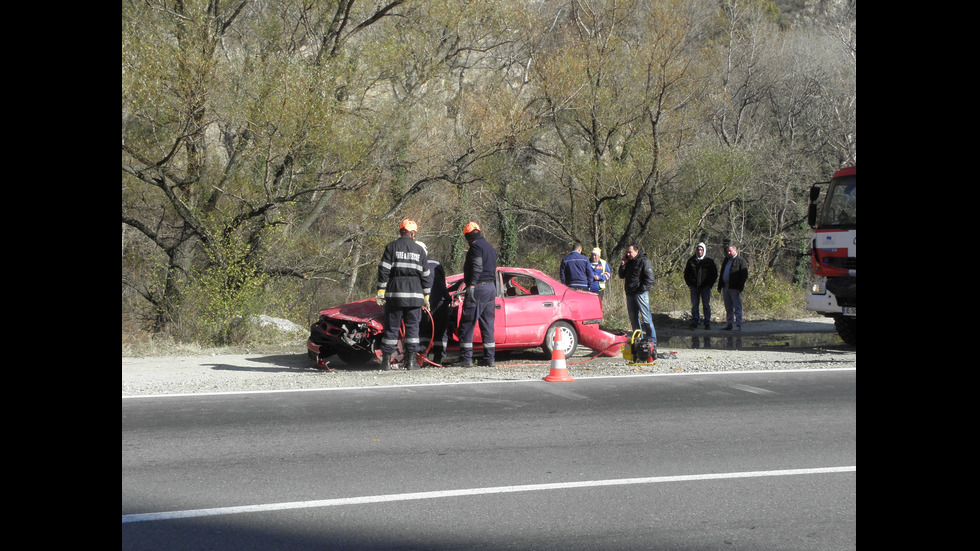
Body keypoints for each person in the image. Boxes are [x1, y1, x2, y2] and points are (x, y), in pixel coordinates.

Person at [376, 219, 432, 370]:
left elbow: (383, 270)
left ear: (401, 231)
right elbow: (426, 276)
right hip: (415, 295)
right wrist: (426, 297)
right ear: (412, 233)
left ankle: (386, 362)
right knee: (413, 328)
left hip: (395, 294)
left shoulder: (391, 247)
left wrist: (381, 291)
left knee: (391, 328)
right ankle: (411, 362)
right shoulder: (420, 250)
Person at [457, 221, 498, 368]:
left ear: (467, 237)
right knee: (487, 324)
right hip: (490, 288)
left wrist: (472, 285)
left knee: (467, 323)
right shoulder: (490, 248)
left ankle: (466, 358)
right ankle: (489, 358)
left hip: (479, 287)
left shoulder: (475, 247)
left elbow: (477, 265)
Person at [416, 241, 451, 366]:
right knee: (441, 331)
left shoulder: (417, 264)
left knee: (425, 331)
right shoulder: (436, 263)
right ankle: (438, 358)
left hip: (427, 301)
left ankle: (422, 357)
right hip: (442, 300)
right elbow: (442, 281)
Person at [617, 243, 656, 345]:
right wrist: (623, 264)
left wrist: (641, 290)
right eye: (627, 252)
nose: (628, 254)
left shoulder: (644, 261)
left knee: (646, 318)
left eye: (630, 252)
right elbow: (621, 275)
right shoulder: (628, 262)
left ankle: (652, 342)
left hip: (640, 294)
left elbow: (650, 279)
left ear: (636, 251)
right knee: (633, 319)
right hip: (630, 294)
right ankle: (638, 341)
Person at [683, 242, 718, 330]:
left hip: (705, 287)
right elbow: (686, 273)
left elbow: (715, 274)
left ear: (704, 250)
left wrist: (710, 285)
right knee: (695, 305)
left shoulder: (709, 261)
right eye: (698, 249)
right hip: (694, 287)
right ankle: (695, 321)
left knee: (706, 305)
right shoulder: (691, 260)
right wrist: (689, 284)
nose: (700, 251)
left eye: (701, 250)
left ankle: (707, 322)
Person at [717, 243, 748, 331]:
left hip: (735, 288)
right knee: (728, 307)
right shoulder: (726, 260)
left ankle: (739, 325)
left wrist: (739, 288)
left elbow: (744, 275)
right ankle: (729, 324)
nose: (729, 253)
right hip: (726, 287)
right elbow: (722, 273)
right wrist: (720, 286)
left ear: (735, 251)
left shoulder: (741, 261)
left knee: (737, 307)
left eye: (730, 251)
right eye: (728, 252)